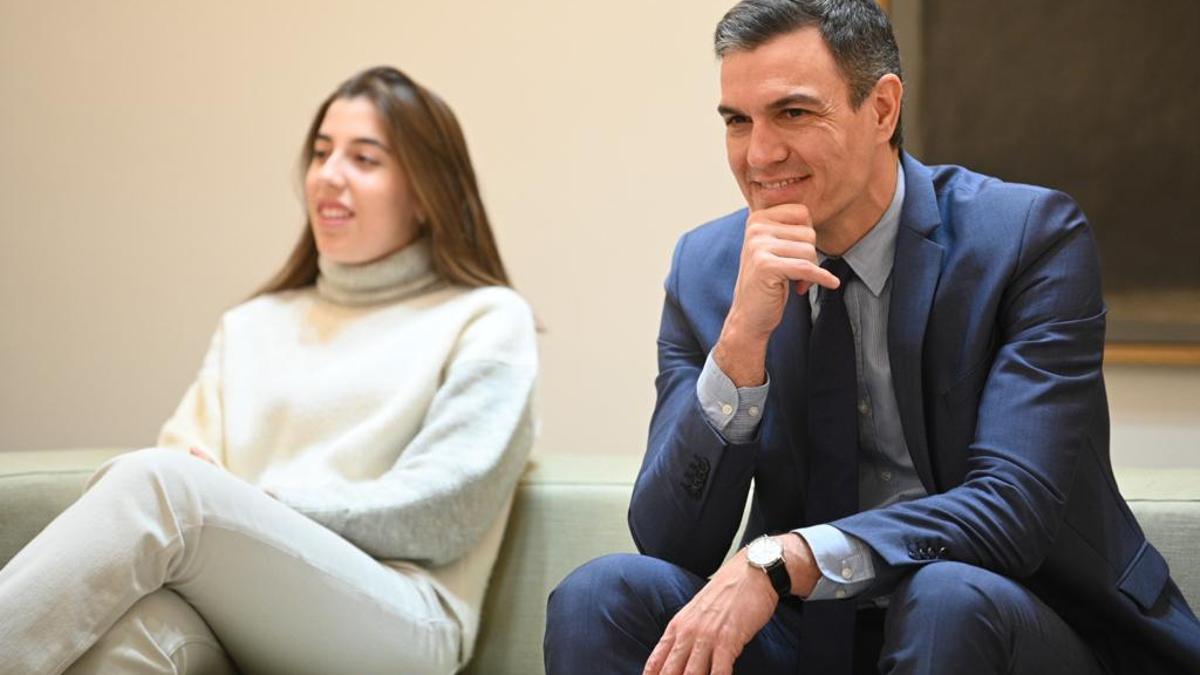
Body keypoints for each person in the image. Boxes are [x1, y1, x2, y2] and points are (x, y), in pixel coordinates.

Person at [544, 1, 1200, 674]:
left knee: (946, 597)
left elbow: (1012, 512)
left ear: (882, 109)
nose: (759, 153)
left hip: (1017, 622)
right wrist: (741, 340)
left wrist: (787, 556)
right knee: (602, 595)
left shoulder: (1027, 239)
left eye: (793, 113)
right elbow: (668, 540)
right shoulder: (708, 269)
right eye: (738, 121)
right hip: (812, 632)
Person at [0, 66, 537, 675]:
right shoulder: (251, 326)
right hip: (236, 611)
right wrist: (225, 505)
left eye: (365, 159)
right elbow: (186, 464)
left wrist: (257, 505)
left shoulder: (485, 319)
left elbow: (444, 512)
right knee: (140, 635)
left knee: (159, 488)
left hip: (402, 617)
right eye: (320, 152)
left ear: (425, 194)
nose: (329, 175)